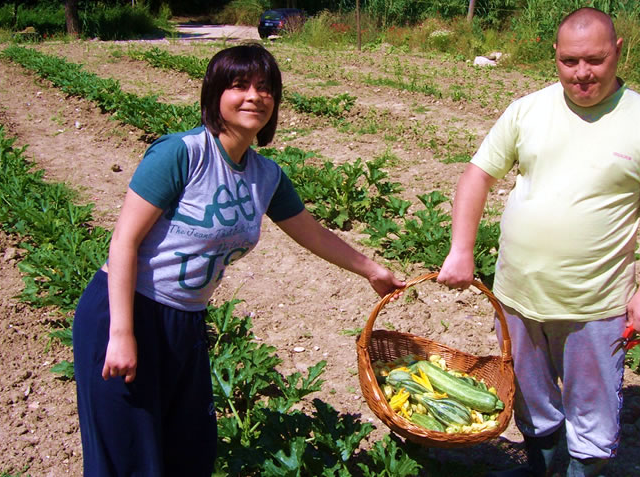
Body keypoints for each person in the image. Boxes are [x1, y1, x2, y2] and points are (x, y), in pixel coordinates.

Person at [72, 43, 405, 476]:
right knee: (129, 459)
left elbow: (313, 234)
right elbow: (123, 242)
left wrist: (373, 270)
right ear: (215, 95)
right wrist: (122, 332)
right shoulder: (182, 154)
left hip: (186, 322)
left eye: (265, 88)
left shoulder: (265, 176)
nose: (254, 96)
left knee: (188, 453)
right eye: (239, 85)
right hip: (127, 310)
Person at [437, 7, 640, 477]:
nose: (583, 74)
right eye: (570, 62)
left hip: (594, 303)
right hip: (517, 294)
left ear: (619, 51)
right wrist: (462, 248)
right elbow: (477, 175)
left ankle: (581, 471)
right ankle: (540, 466)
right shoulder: (528, 109)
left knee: (592, 405)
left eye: (596, 60)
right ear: (555, 57)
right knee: (529, 394)